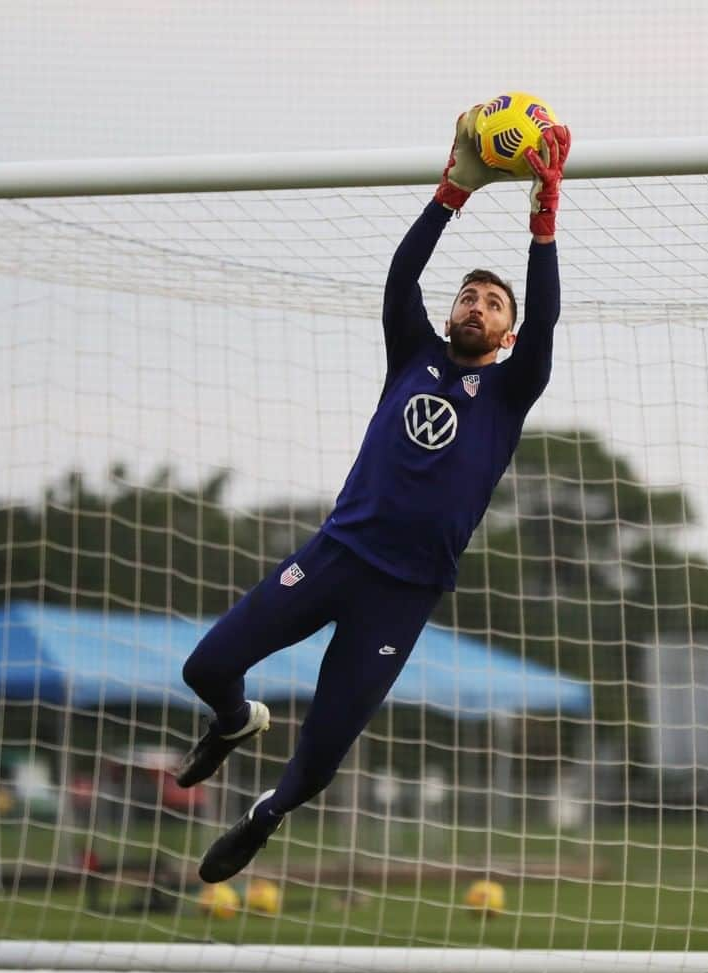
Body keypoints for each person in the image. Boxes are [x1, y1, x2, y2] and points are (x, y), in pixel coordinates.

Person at [175, 108, 571, 883]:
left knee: (322, 753)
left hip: (404, 592)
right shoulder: (411, 354)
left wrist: (543, 220)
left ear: (508, 335)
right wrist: (453, 191)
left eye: (494, 304)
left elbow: (547, 314)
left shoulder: (511, 390)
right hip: (337, 555)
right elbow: (402, 277)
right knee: (204, 667)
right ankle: (233, 723)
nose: (476, 307)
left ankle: (263, 818)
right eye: (468, 296)